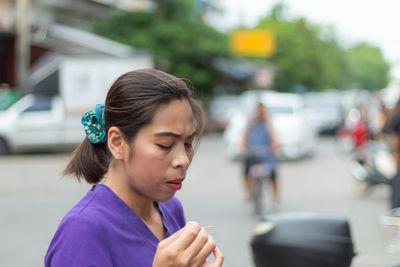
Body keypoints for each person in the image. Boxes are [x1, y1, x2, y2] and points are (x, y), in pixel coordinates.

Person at [44, 69, 224, 267]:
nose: (183, 160)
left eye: (188, 144)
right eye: (165, 144)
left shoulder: (171, 209)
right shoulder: (81, 230)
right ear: (117, 142)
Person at [241, 102, 279, 207]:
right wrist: (242, 147)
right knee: (245, 169)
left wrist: (275, 146)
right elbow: (244, 137)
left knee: (273, 173)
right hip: (252, 153)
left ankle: (275, 198)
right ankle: (248, 192)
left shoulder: (268, 124)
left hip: (266, 153)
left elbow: (274, 137)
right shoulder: (251, 123)